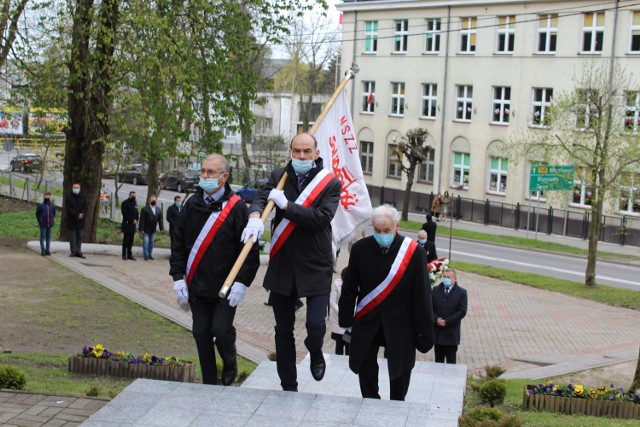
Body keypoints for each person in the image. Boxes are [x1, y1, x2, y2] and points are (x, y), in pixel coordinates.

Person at [241, 132, 341, 392]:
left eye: (307, 151)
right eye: (297, 151)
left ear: (316, 153)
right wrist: (254, 215)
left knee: (315, 325)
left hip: (315, 262)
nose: (301, 156)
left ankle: (315, 349)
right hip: (284, 261)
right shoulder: (279, 176)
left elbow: (320, 217)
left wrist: (288, 206)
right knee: (282, 329)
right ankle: (288, 383)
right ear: (290, 151)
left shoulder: (330, 183)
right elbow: (262, 199)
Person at [170, 153, 260, 386]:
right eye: (203, 171)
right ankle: (209, 382)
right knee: (200, 333)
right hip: (197, 285)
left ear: (224, 177)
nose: (205, 176)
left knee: (221, 331)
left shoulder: (238, 208)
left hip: (225, 287)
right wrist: (178, 277)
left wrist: (242, 282)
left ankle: (230, 363)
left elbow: (249, 252)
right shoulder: (192, 204)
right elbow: (178, 243)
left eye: (210, 172)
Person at [339, 205, 433, 401]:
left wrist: (424, 331)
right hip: (367, 319)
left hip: (400, 322)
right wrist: (346, 321)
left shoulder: (414, 252)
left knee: (400, 369)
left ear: (397, 226)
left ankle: (397, 404)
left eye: (387, 230)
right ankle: (371, 401)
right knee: (365, 365)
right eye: (377, 230)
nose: (382, 234)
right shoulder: (360, 249)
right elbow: (349, 288)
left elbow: (422, 294)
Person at [432, 269, 468, 364]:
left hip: (451, 334)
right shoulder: (435, 290)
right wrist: (436, 319)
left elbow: (462, 311)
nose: (446, 279)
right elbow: (430, 308)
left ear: (455, 279)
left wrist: (447, 321)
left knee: (451, 362)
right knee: (438, 362)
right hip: (438, 334)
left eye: (448, 277)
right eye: (444, 277)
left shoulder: (461, 292)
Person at [330, 268, 350, 356]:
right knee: (339, 345)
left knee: (349, 345)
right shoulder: (337, 283)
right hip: (338, 319)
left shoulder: (356, 284)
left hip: (350, 321)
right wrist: (341, 311)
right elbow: (332, 301)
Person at [65, 182, 87, 258]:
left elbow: (85, 207)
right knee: (73, 237)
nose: (76, 189)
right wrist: (76, 215)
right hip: (72, 219)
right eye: (74, 188)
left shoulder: (83, 197)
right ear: (72, 188)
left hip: (81, 220)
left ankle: (79, 251)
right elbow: (68, 208)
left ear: (80, 189)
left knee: (79, 236)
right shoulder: (68, 197)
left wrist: (82, 214)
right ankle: (73, 251)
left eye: (77, 188)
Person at [139, 194, 164, 260]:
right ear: (149, 201)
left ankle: (150, 254)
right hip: (146, 229)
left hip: (153, 229)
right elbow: (142, 219)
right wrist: (141, 229)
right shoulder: (145, 209)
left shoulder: (158, 209)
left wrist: (161, 228)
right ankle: (146, 255)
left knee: (151, 242)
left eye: (154, 200)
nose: (153, 201)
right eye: (152, 200)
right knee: (146, 242)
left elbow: (160, 219)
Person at [36, 192, 55, 256]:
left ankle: (47, 250)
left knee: (48, 237)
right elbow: (37, 214)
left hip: (50, 224)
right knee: (42, 236)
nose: (47, 197)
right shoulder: (41, 205)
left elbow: (54, 214)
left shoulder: (52, 206)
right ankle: (43, 250)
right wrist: (40, 222)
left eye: (48, 195)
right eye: (45, 195)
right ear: (43, 197)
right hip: (43, 224)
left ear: (50, 197)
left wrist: (52, 221)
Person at [121, 191, 139, 260]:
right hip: (127, 224)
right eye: (132, 196)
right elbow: (124, 214)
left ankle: (129, 254)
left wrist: (136, 219)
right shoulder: (125, 203)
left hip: (133, 225)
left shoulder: (135, 203)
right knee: (126, 240)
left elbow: (137, 212)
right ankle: (124, 254)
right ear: (129, 196)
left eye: (135, 196)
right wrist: (132, 220)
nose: (134, 197)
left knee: (131, 241)